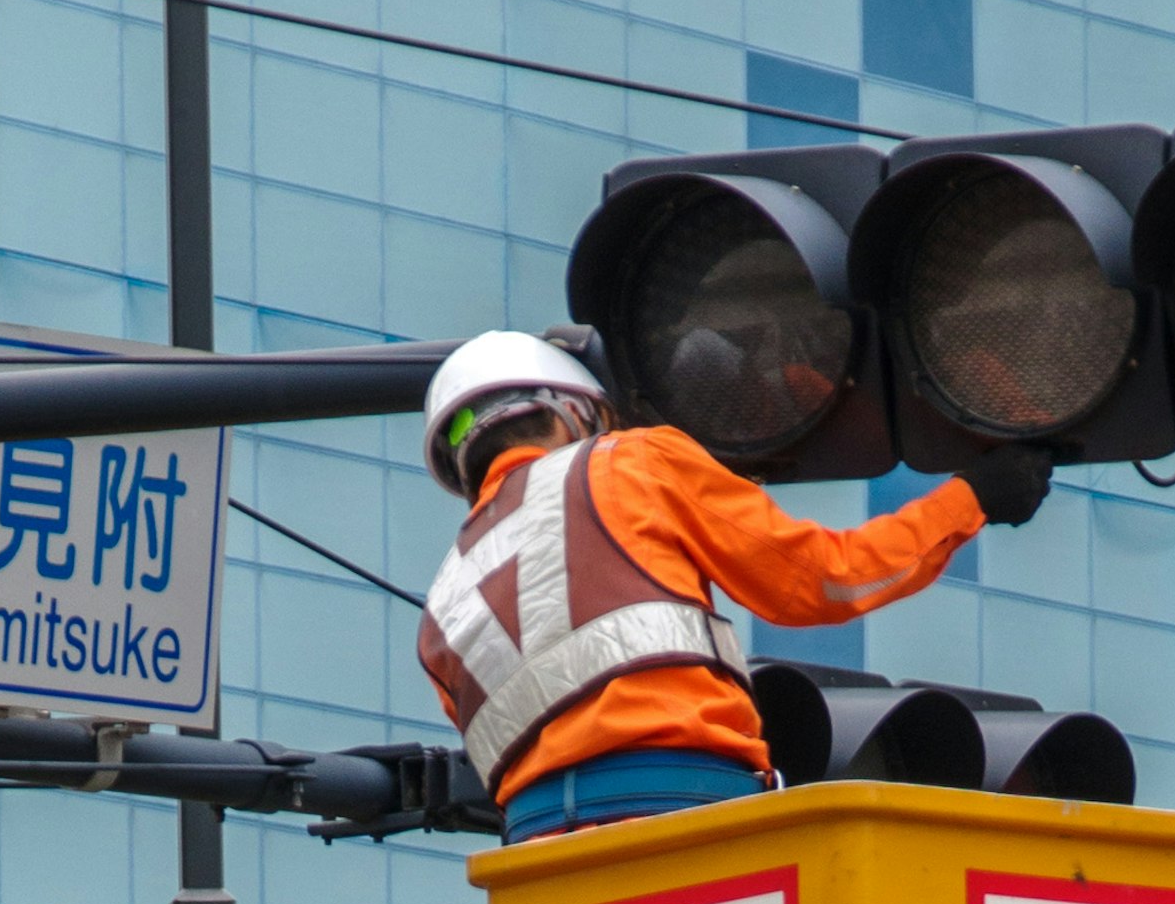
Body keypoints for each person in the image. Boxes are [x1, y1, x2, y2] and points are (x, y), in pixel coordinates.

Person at [413, 327, 1045, 836]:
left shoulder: (441, 610)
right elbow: (827, 579)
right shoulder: (632, 462)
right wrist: (974, 498)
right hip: (679, 796)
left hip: (538, 845)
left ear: (462, 465)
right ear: (575, 411)